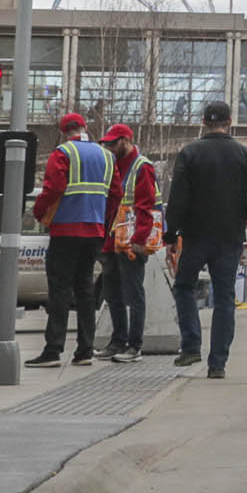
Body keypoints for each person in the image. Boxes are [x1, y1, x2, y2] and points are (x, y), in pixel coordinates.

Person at [162, 100, 247, 380]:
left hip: (196, 235)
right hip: (229, 237)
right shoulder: (244, 154)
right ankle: (218, 364)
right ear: (230, 121)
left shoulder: (189, 153)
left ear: (203, 122)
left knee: (184, 287)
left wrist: (171, 232)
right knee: (225, 298)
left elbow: (177, 198)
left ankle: (190, 346)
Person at [28, 112, 112, 367]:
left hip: (66, 229)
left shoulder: (63, 153)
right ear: (85, 128)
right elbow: (115, 193)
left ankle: (53, 350)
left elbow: (53, 188)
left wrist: (39, 212)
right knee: (85, 290)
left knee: (60, 290)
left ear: (64, 131)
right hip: (94, 230)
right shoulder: (106, 156)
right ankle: (85, 350)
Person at [99, 124, 159, 363]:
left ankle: (134, 346)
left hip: (132, 242)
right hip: (112, 241)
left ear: (126, 140)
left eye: (113, 143)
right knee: (112, 293)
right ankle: (117, 342)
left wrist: (139, 241)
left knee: (134, 293)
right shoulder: (113, 165)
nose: (110, 148)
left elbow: (145, 207)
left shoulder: (141, 167)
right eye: (107, 144)